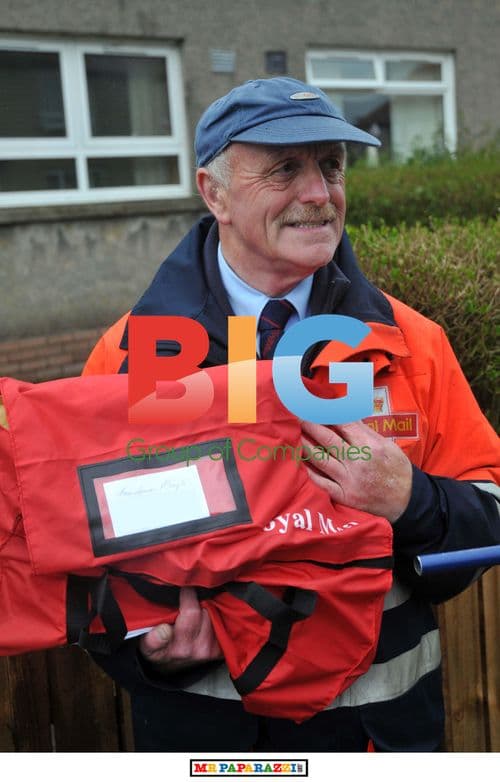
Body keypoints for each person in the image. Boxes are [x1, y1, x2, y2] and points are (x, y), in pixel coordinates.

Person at [83, 77, 500, 752]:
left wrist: (412, 501)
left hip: (376, 738)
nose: (319, 194)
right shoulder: (131, 355)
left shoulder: (412, 344)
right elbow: (82, 551)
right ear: (212, 192)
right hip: (207, 742)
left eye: (331, 167)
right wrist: (145, 646)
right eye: (284, 169)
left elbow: (490, 521)